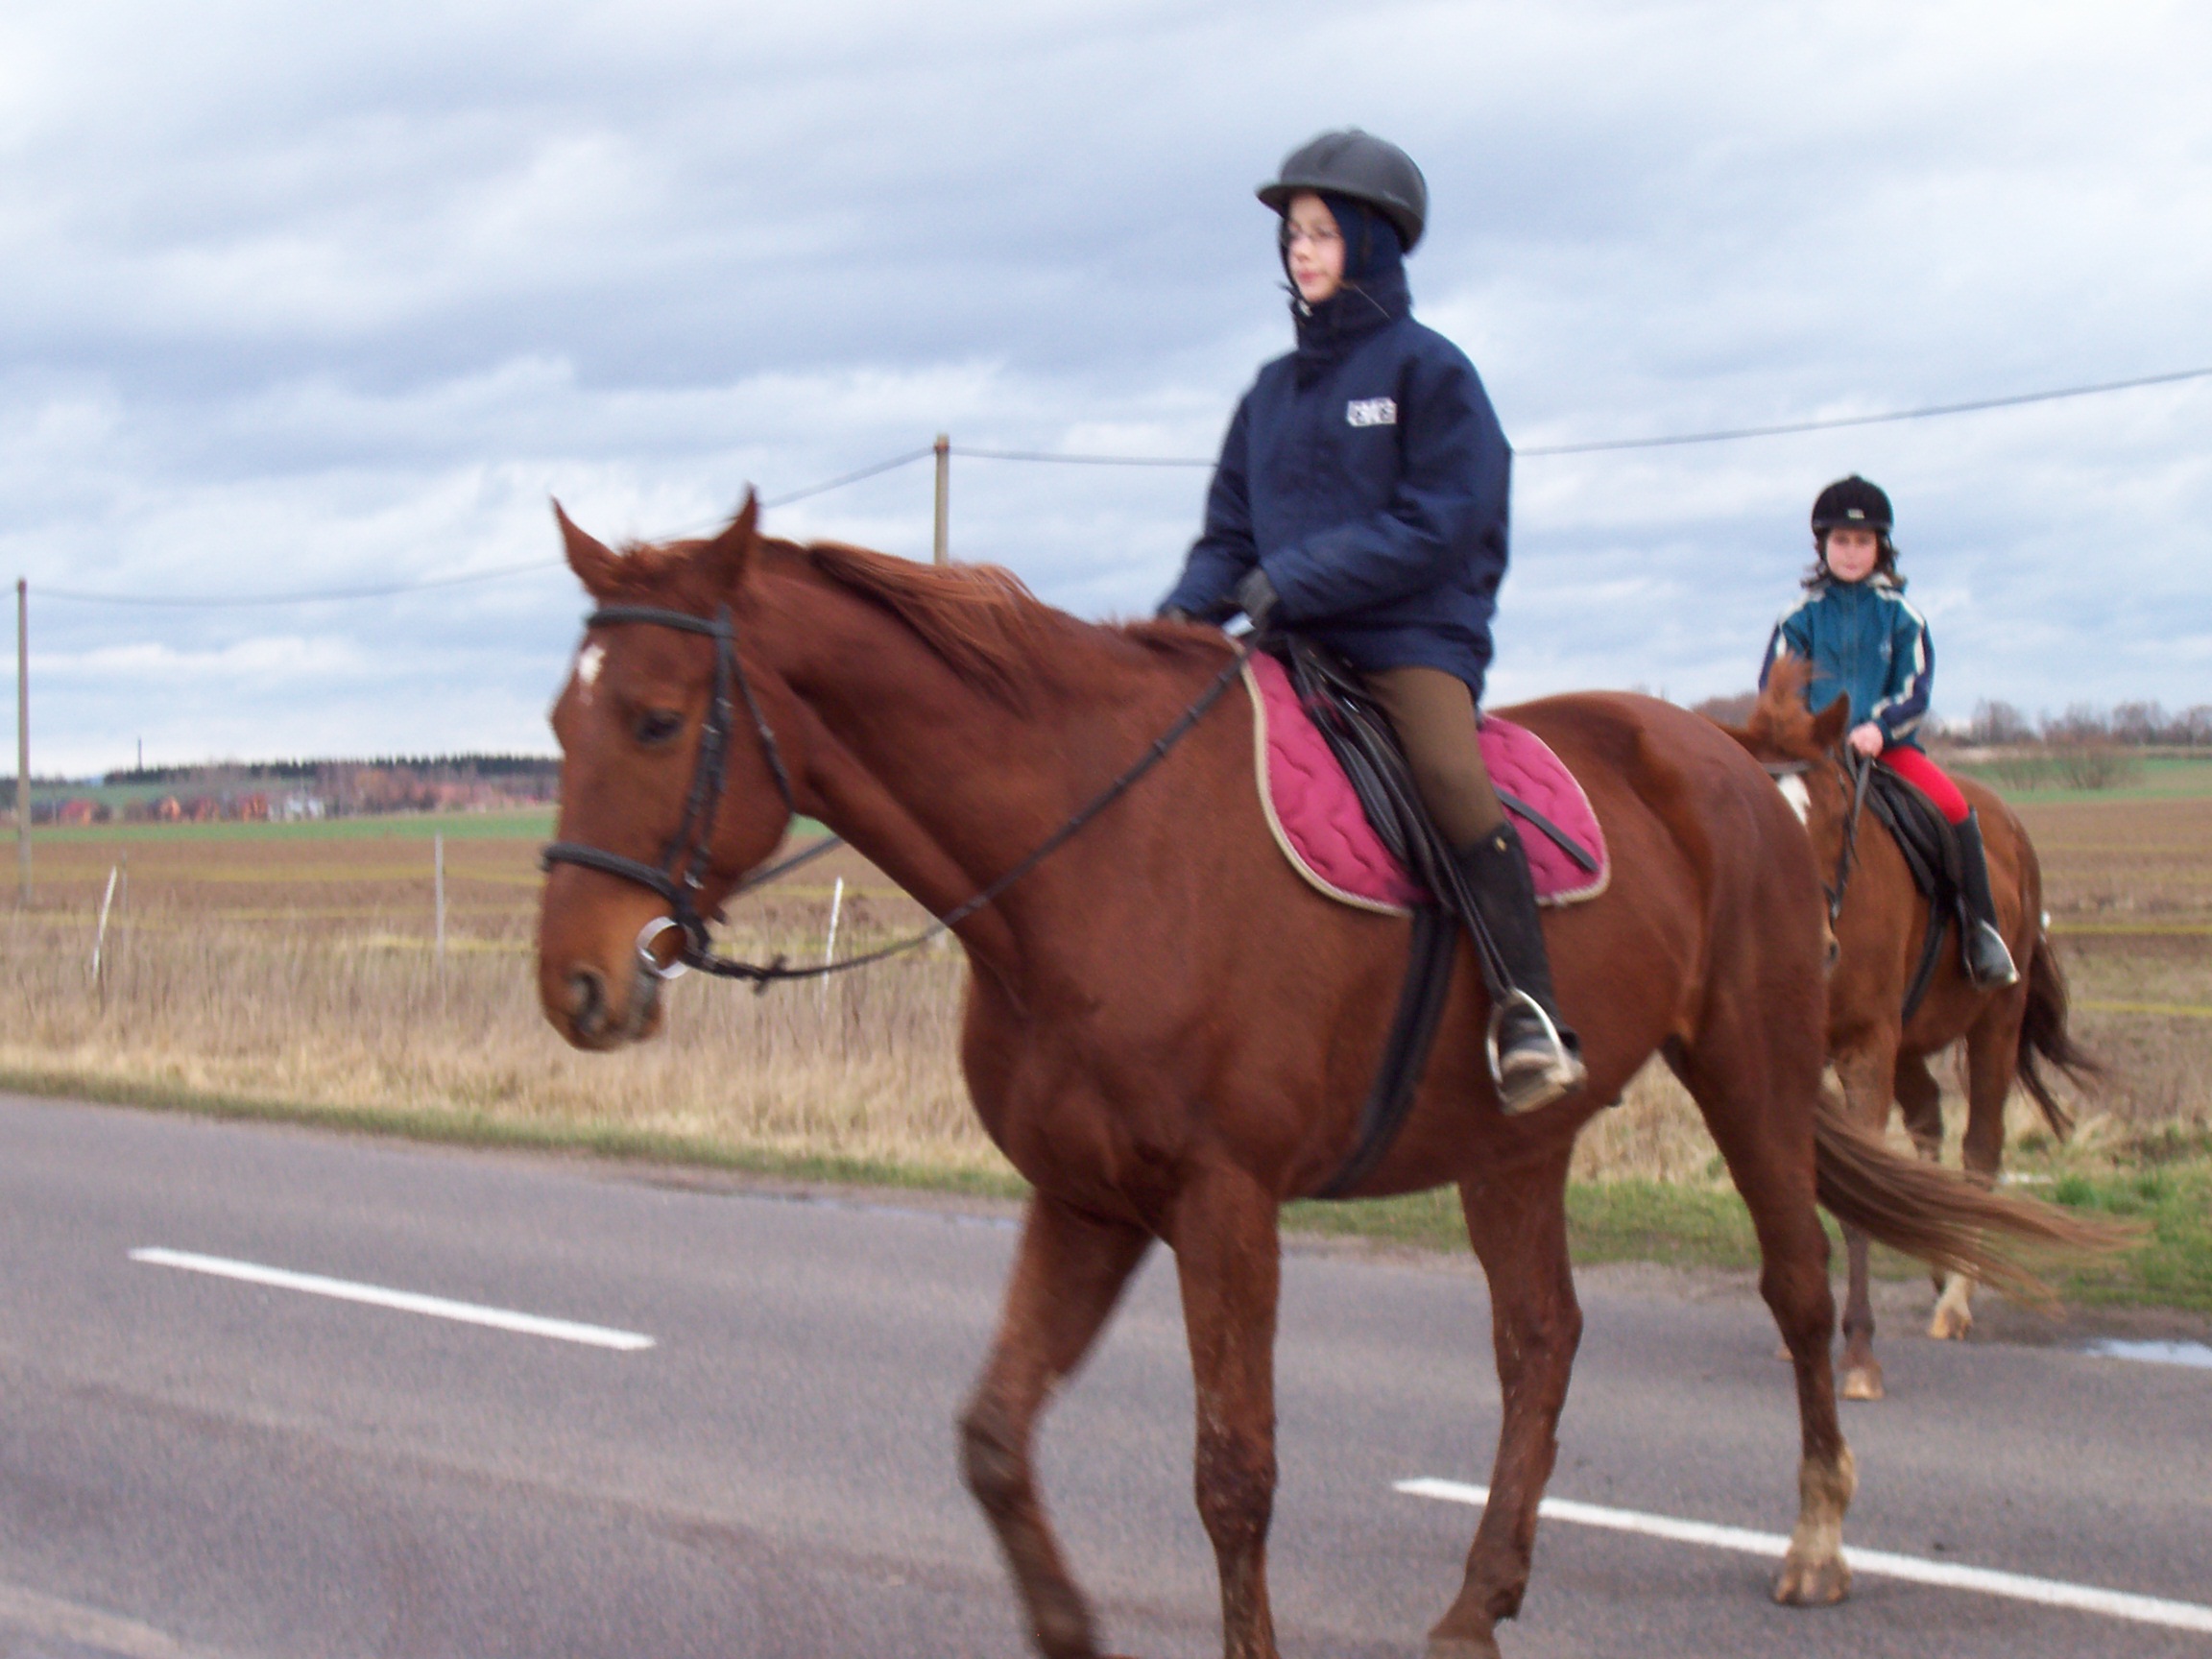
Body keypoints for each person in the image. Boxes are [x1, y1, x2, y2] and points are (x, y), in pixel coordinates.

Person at [1157, 129, 1584, 1115]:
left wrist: (1296, 578)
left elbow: (1442, 519)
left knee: (1444, 773)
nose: (1301, 250)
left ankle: (1529, 1008)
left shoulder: (1431, 374)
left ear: (1372, 242)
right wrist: (1181, 618)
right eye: (1293, 235)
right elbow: (1229, 534)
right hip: (1289, 642)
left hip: (1409, 644)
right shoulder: (1268, 395)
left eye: (1321, 232)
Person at [1760, 474, 2018, 987]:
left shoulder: (1903, 617)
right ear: (1823, 546)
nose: (1851, 553)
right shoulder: (1797, 618)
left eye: (1862, 542)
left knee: (1955, 808)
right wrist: (1810, 734)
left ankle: (1981, 932)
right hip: (1814, 758)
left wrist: (1879, 728)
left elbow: (1915, 689)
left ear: (1880, 548)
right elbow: (1779, 687)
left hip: (1888, 752)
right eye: (1840, 541)